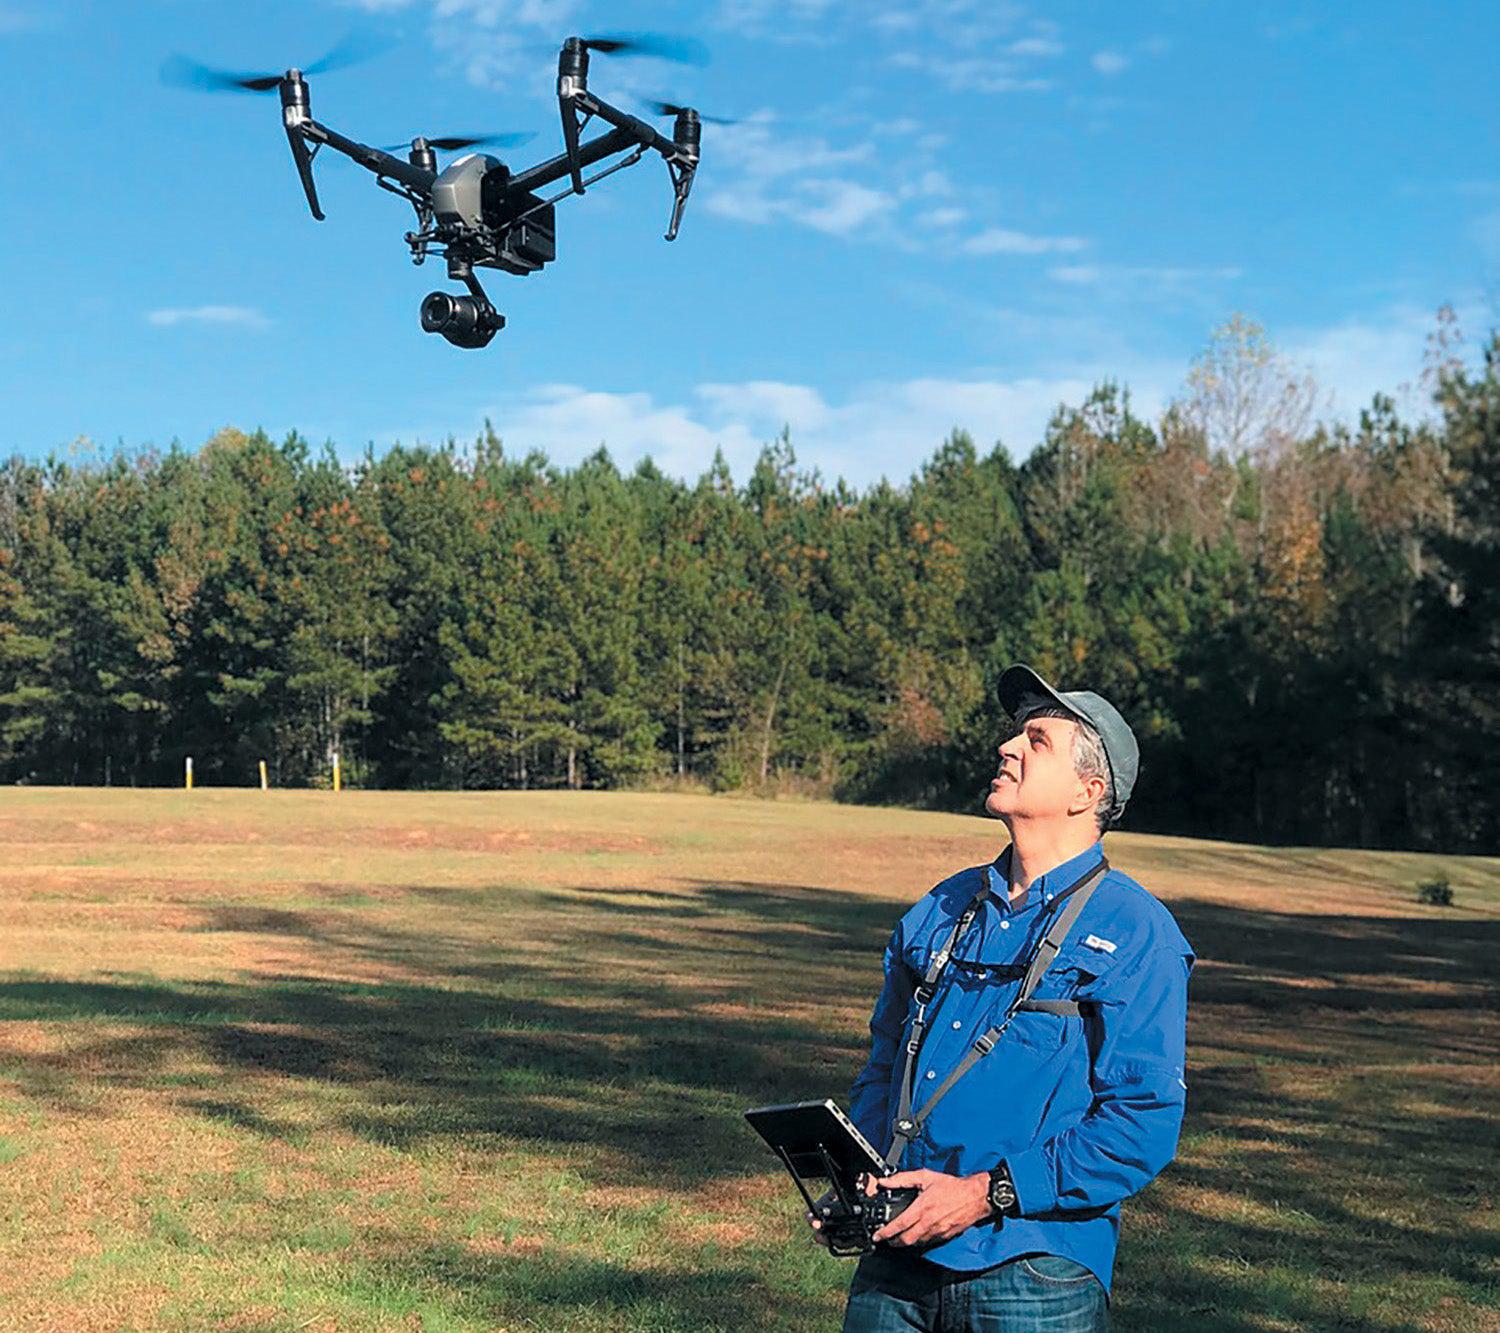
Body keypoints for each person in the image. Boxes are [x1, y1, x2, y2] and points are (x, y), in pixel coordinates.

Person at [813, 663, 1194, 1332]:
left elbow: (1142, 1120)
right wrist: (862, 1181)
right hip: (898, 1261)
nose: (1007, 747)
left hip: (1036, 1268)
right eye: (1015, 736)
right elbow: (883, 1066)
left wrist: (989, 1193)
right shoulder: (941, 906)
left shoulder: (1137, 932)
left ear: (1087, 791)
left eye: (1036, 740)